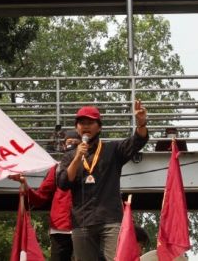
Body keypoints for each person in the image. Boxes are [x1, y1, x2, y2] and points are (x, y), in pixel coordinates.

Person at [57, 102, 149, 261]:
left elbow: (137, 141)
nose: (86, 126)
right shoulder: (69, 157)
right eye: (81, 123)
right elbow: (63, 183)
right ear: (77, 127)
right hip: (82, 221)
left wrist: (141, 123)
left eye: (90, 122)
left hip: (110, 221)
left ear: (99, 127)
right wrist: (78, 157)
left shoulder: (112, 150)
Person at [11, 130, 81, 261]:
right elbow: (39, 199)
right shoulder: (56, 169)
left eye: (76, 143)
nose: (72, 146)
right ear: (64, 146)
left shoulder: (91, 166)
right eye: (69, 143)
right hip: (61, 228)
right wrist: (24, 184)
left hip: (85, 226)